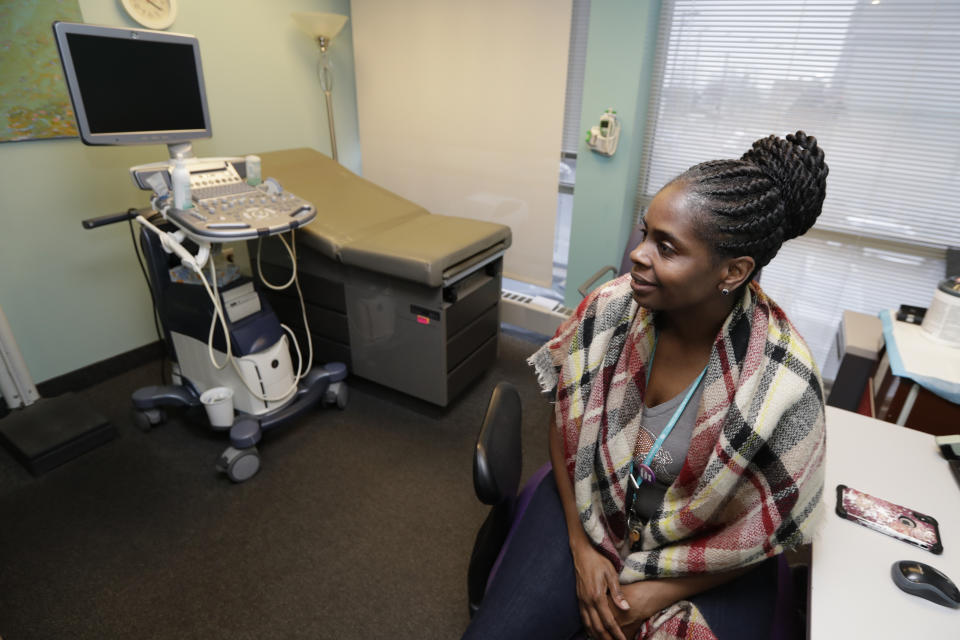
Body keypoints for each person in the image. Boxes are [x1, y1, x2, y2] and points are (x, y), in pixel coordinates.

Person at [463, 131, 828, 640]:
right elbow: (565, 429)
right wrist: (581, 546)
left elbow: (762, 533)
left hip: (702, 551)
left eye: (667, 247)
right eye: (644, 232)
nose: (637, 254)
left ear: (733, 270)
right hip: (593, 505)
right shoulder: (611, 309)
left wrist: (658, 592)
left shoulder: (783, 383)